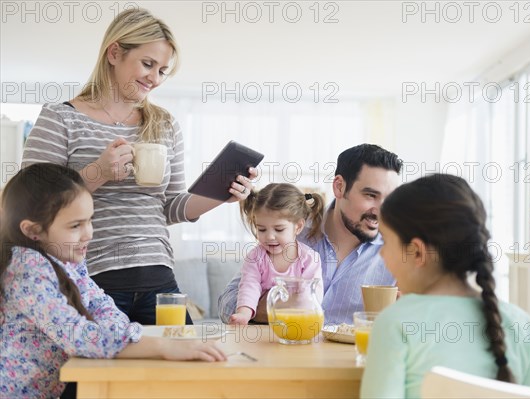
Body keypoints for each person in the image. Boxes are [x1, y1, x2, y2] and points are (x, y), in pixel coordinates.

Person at [20, 8, 256, 324]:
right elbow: (29, 199)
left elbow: (171, 206)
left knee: (184, 368)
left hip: (159, 278)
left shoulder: (164, 124)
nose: (154, 78)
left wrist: (221, 195)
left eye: (162, 70)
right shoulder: (61, 118)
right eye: (148, 64)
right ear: (114, 52)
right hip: (91, 278)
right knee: (95, 373)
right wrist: (98, 172)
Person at [0, 164, 226, 399]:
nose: (88, 233)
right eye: (75, 225)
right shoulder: (27, 268)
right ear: (32, 230)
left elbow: (102, 306)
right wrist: (163, 346)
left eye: (90, 220)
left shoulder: (69, 261)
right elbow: (77, 335)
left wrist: (134, 337)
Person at [360, 174, 530, 399]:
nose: (381, 254)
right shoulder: (522, 324)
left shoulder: (394, 323)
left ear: (417, 252)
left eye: (385, 242)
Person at [219, 144, 403, 325]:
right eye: (371, 195)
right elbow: (227, 305)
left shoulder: (399, 253)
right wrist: (275, 306)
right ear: (339, 187)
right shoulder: (289, 232)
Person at [229, 183, 325, 325]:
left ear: (298, 226)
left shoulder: (310, 259)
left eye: (279, 229)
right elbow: (249, 286)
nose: (269, 237)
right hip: (261, 327)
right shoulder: (255, 257)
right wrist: (243, 314)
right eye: (261, 229)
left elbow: (312, 296)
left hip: (297, 323)